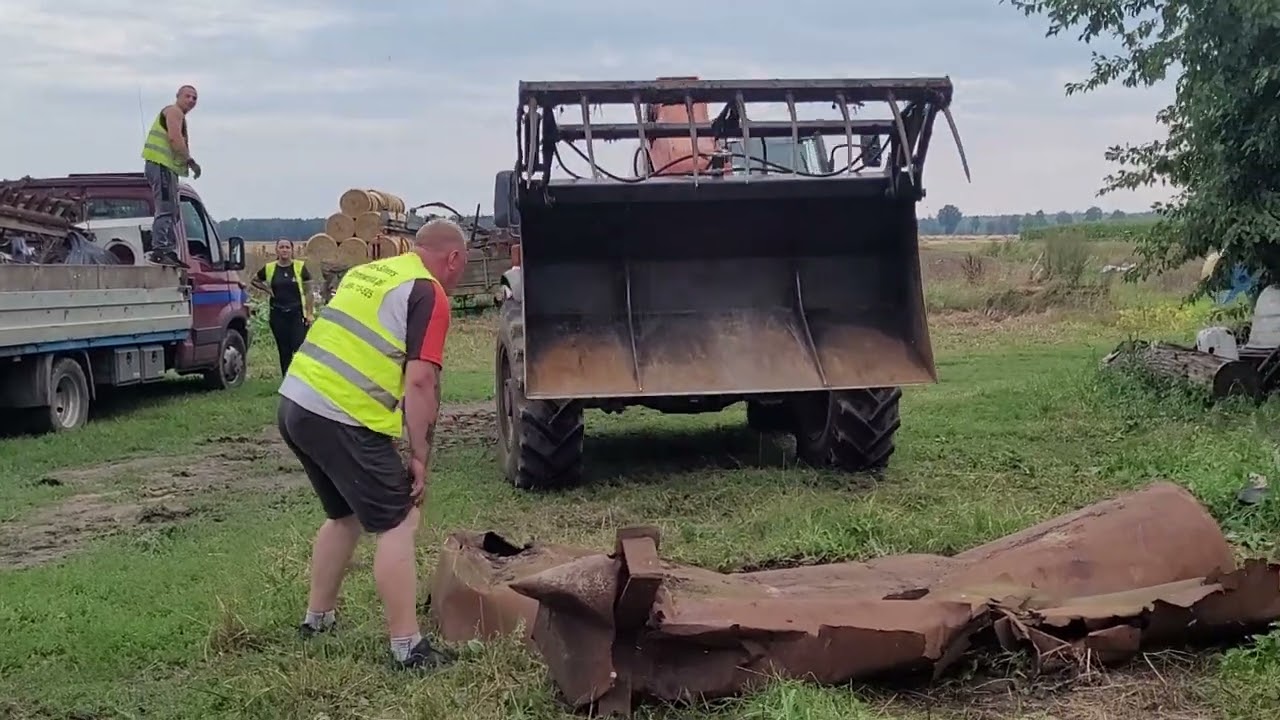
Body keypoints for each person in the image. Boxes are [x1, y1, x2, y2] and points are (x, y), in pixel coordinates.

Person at [276, 218, 466, 670]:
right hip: (340, 413)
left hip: (295, 402)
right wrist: (420, 457)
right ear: (454, 259)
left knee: (343, 515)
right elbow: (420, 382)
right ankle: (408, 648)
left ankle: (316, 620)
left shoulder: (369, 273)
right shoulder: (429, 292)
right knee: (400, 519)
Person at [140, 85, 202, 268]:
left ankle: (169, 251)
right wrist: (190, 161)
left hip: (166, 168)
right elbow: (175, 138)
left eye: (194, 98)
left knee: (172, 210)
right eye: (188, 96)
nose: (191, 100)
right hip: (160, 165)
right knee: (166, 208)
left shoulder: (177, 114)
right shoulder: (174, 112)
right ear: (178, 96)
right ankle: (160, 250)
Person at [251, 239, 314, 375]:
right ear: (277, 250)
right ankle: (287, 380)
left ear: (291, 250)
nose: (284, 250)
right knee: (284, 350)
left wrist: (310, 313)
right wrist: (267, 289)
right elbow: (254, 280)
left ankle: (300, 377)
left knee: (298, 347)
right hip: (278, 314)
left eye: (287, 247)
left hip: (297, 313)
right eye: (281, 247)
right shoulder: (269, 268)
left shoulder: (300, 267)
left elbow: (309, 291)